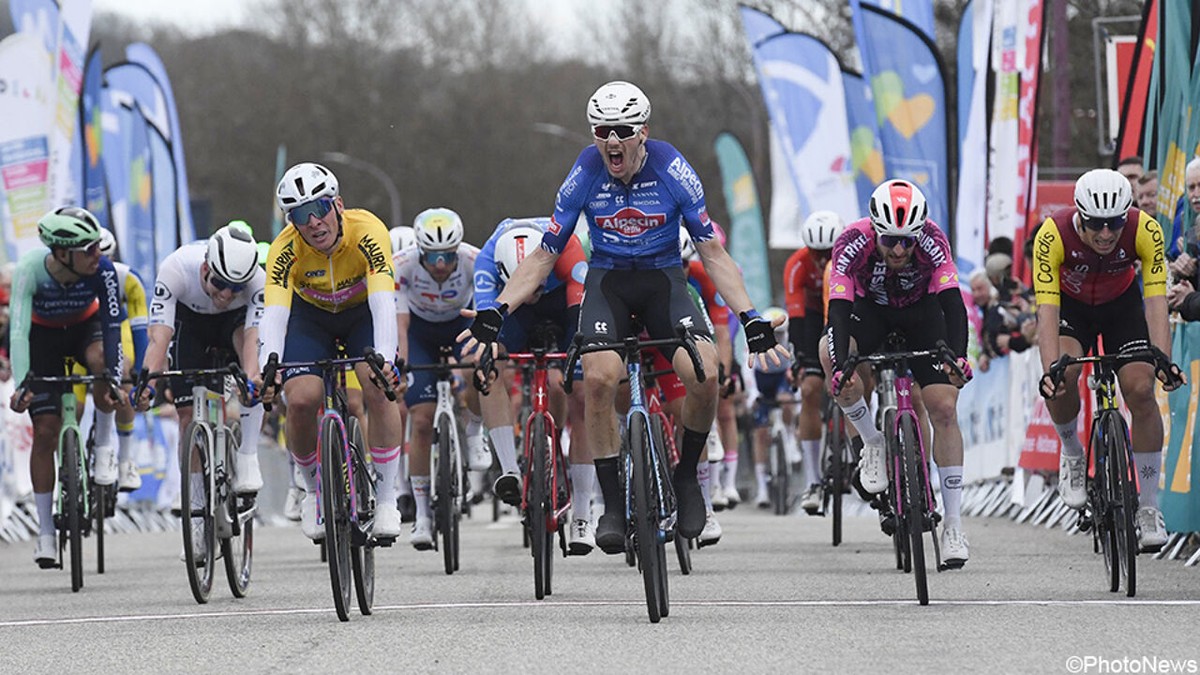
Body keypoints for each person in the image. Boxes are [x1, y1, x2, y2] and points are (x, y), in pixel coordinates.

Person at [461, 80, 787, 554]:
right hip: (608, 283)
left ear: (642, 132)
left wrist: (751, 317)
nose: (612, 140)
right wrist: (498, 310)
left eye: (623, 130)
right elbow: (544, 255)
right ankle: (612, 505)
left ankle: (688, 480)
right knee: (598, 379)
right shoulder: (585, 170)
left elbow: (712, 253)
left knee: (705, 370)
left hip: (663, 282)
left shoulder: (673, 168)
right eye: (602, 130)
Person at [818, 179, 973, 567]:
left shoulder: (934, 241)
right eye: (890, 241)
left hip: (923, 315)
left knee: (943, 408)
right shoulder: (852, 240)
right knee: (829, 354)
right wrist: (841, 367)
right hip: (869, 314)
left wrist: (958, 356)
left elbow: (954, 304)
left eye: (908, 240)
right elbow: (837, 308)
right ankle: (872, 441)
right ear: (875, 230)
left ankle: (953, 523)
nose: (900, 249)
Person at [1032, 168, 1182, 553]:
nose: (1105, 234)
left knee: (1141, 391)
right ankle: (1072, 452)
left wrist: (1162, 358)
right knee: (1063, 375)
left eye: (1114, 224)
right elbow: (1046, 312)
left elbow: (1156, 303)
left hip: (1122, 307)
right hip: (1071, 309)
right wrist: (1051, 370)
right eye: (1095, 224)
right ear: (1079, 214)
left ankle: (1148, 507)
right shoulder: (1052, 234)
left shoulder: (1145, 229)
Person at [256, 162, 404, 541]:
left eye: (319, 209)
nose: (313, 223)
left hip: (361, 313)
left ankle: (387, 499)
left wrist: (385, 361)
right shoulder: (283, 249)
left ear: (338, 205)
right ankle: (310, 488)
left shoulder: (368, 230)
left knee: (376, 385)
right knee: (302, 400)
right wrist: (267, 366)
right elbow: (274, 315)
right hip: (312, 318)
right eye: (300, 216)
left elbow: (384, 303)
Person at [8, 207, 127, 567]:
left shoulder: (103, 270)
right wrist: (22, 384)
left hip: (84, 331)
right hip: (42, 339)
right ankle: (45, 532)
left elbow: (111, 325)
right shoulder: (30, 269)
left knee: (102, 367)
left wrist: (114, 378)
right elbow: (18, 331)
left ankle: (104, 446)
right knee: (45, 431)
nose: (98, 255)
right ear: (61, 253)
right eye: (88, 249)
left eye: (97, 248)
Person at [470, 217, 594, 551]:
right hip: (513, 308)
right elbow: (485, 316)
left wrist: (575, 350)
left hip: (563, 300)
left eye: (535, 285)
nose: (533, 294)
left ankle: (583, 511)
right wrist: (489, 347)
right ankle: (509, 469)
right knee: (488, 363)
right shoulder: (486, 259)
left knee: (580, 393)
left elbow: (579, 309)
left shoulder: (566, 245)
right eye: (529, 287)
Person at [137, 224, 267, 502]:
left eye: (236, 288)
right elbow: (159, 338)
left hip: (234, 323)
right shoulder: (176, 268)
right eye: (220, 284)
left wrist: (252, 378)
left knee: (251, 377)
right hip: (191, 323)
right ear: (205, 269)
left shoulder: (258, 281)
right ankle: (195, 504)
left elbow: (253, 340)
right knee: (186, 415)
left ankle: (247, 457)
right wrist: (148, 384)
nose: (226, 294)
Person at [394, 207, 483, 549]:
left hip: (461, 323)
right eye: (433, 256)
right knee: (420, 420)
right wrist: (401, 362)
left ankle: (475, 429)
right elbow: (400, 326)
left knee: (478, 367)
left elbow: (484, 311)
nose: (441, 264)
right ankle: (422, 515)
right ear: (420, 251)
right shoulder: (402, 265)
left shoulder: (475, 260)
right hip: (419, 332)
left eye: (448, 255)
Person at [783, 210, 845, 513]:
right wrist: (799, 360)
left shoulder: (851, 259)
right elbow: (795, 319)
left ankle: (859, 448)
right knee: (809, 390)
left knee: (860, 376)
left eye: (829, 253)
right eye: (817, 253)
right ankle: (813, 481)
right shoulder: (796, 265)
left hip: (843, 313)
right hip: (810, 322)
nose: (823, 261)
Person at [95, 227, 150, 491]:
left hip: (118, 327)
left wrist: (140, 372)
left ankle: (126, 459)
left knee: (124, 371)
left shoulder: (127, 278)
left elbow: (140, 331)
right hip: (84, 330)